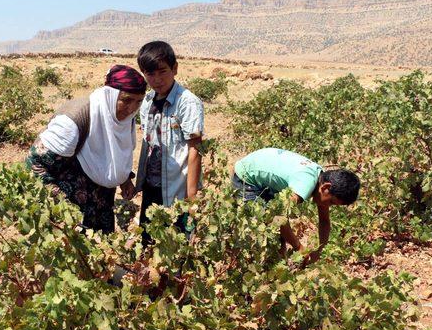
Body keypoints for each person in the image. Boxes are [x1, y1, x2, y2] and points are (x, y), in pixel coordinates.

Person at [26, 65, 147, 233]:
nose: (132, 108)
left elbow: (112, 153)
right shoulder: (75, 120)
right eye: (126, 100)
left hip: (101, 207)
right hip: (68, 213)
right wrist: (61, 203)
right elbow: (34, 164)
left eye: (138, 101)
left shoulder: (124, 119)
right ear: (109, 96)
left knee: (101, 254)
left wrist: (124, 179)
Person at [232, 147, 360, 265]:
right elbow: (279, 218)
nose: (329, 206)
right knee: (262, 230)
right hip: (246, 176)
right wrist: (299, 247)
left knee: (278, 236)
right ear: (326, 187)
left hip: (264, 174)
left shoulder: (321, 180)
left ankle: (275, 264)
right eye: (331, 202)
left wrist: (318, 251)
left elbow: (324, 221)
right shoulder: (305, 185)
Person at [135, 41, 204, 243]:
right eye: (150, 74)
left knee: (177, 247)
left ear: (175, 69)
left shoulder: (187, 102)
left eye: (162, 72)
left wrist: (191, 197)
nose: (157, 80)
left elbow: (195, 149)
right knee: (149, 243)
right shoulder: (147, 101)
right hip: (152, 186)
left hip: (177, 189)